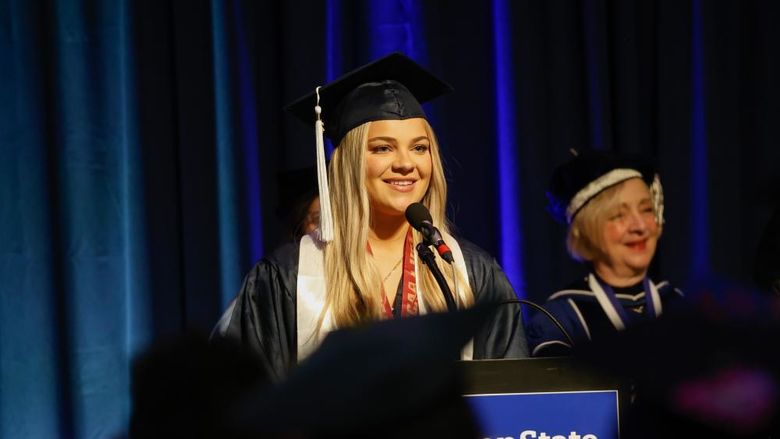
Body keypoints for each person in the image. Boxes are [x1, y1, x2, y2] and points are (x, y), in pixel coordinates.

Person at [212, 53, 528, 381]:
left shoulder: (469, 272)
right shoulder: (287, 277)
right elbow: (245, 399)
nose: (406, 163)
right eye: (382, 148)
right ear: (348, 163)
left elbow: (511, 398)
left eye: (419, 148)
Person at [526, 149, 684, 357]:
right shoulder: (560, 320)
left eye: (647, 210)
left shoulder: (677, 303)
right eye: (619, 215)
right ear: (586, 231)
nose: (639, 226)